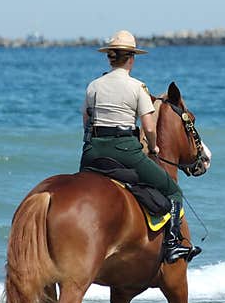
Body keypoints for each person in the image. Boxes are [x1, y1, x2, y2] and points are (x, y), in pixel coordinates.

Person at [79, 29, 200, 264]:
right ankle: (173, 245)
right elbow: (149, 126)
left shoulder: (93, 86)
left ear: (109, 58)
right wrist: (154, 148)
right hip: (125, 150)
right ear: (132, 58)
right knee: (173, 191)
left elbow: (86, 120)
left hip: (91, 153)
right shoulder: (137, 87)